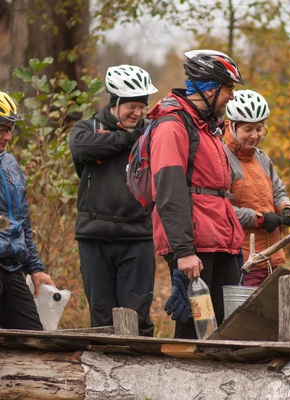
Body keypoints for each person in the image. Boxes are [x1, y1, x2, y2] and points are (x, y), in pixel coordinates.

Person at [148, 50, 245, 339]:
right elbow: (168, 191)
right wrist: (185, 251)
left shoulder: (205, 128)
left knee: (225, 328)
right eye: (229, 89)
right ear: (211, 89)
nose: (231, 97)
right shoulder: (172, 126)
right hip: (194, 244)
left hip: (218, 238)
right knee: (194, 331)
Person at [69, 65, 158, 336]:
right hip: (94, 237)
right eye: (131, 106)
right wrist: (130, 138)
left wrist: (122, 139)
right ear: (115, 102)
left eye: (142, 107)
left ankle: (140, 375)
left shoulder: (153, 133)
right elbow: (83, 147)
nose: (138, 113)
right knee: (102, 316)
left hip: (138, 236)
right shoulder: (87, 127)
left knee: (136, 317)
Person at [224, 89, 290, 287]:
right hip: (245, 262)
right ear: (232, 126)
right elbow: (222, 209)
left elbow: (278, 191)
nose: (254, 135)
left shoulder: (261, 157)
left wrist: (286, 208)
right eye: (248, 129)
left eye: (259, 128)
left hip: (274, 259)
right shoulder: (222, 159)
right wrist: (260, 219)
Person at [0, 91, 55, 330]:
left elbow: (22, 224)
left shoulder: (11, 164)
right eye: (1, 128)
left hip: (12, 268)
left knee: (34, 340)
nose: (7, 136)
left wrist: (35, 269)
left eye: (10, 128)